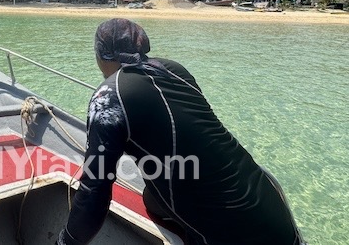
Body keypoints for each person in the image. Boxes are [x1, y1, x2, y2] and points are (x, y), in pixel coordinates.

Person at [57, 18, 305, 245]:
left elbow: (95, 193)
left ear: (101, 55)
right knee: (152, 199)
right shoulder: (173, 69)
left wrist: (65, 241)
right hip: (275, 212)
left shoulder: (108, 97)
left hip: (231, 237)